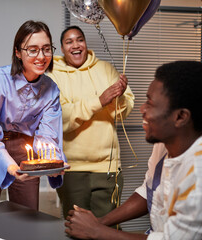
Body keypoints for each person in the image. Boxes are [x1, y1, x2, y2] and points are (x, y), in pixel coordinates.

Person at [65, 61, 202, 239]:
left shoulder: (198, 174)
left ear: (180, 117)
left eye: (150, 104)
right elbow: (150, 190)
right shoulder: (165, 144)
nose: (142, 109)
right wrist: (99, 222)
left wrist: (97, 231)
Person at [0, 20, 66, 211]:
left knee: (26, 217)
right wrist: (10, 167)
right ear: (18, 52)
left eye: (47, 49)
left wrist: (53, 162)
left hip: (26, 152)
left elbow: (48, 136)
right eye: (33, 50)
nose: (41, 56)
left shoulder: (51, 89)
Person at [47, 26, 135, 219]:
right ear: (61, 48)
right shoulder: (52, 75)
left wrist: (117, 98)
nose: (75, 45)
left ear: (85, 44)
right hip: (71, 169)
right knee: (76, 229)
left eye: (80, 40)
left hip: (108, 168)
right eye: (69, 42)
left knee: (108, 229)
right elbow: (59, 118)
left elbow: (124, 111)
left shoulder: (106, 69)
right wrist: (99, 101)